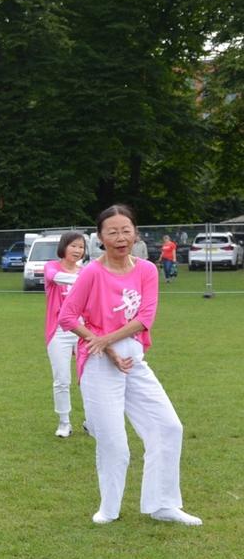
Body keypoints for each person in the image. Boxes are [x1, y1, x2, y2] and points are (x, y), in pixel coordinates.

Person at [58, 204, 201, 526]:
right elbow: (67, 316)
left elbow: (145, 318)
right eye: (112, 232)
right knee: (113, 440)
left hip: (133, 359)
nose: (120, 237)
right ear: (100, 238)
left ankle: (163, 504)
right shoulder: (92, 272)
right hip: (98, 363)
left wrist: (108, 340)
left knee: (168, 427)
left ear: (135, 233)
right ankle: (109, 507)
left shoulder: (147, 270)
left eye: (126, 230)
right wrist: (105, 347)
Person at [42, 230, 87, 438]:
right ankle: (64, 422)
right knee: (62, 379)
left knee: (89, 379)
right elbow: (56, 278)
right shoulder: (51, 266)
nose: (77, 250)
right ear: (64, 247)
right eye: (74, 246)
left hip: (84, 331)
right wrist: (88, 278)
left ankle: (92, 421)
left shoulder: (86, 270)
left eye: (81, 247)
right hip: (58, 332)